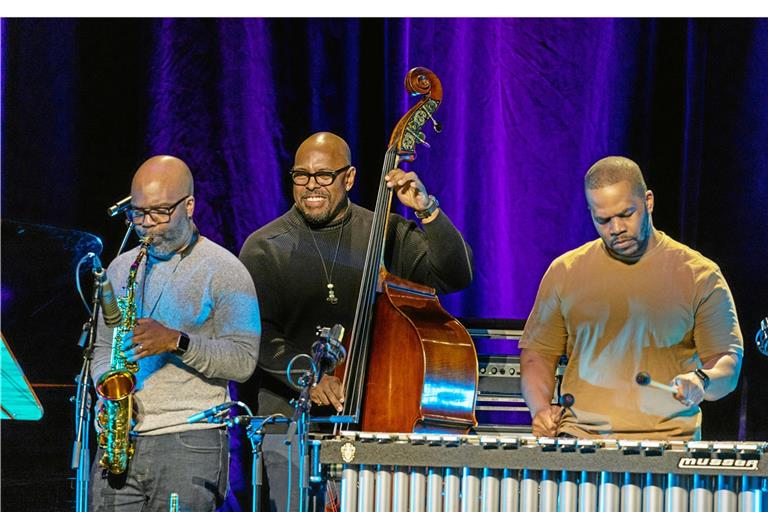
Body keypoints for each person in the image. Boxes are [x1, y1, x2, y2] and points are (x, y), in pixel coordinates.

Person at [235, 131, 474, 510]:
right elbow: (255, 335)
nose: (311, 186)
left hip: (377, 414)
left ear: (349, 178)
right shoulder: (265, 246)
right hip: (290, 421)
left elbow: (455, 277)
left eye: (324, 175)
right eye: (301, 175)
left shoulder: (385, 232)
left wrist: (427, 210)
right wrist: (308, 377)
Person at [520, 156, 743, 440]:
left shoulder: (699, 275)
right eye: (603, 220)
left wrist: (701, 380)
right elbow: (537, 355)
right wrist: (540, 410)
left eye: (626, 214)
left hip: (668, 444)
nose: (616, 229)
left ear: (648, 201)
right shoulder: (565, 272)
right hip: (581, 440)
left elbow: (728, 362)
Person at [89, 155, 261, 511]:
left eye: (160, 212)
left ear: (190, 205)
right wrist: (109, 387)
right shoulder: (121, 269)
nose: (147, 225)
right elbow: (103, 345)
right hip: (121, 440)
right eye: (137, 214)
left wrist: (177, 342)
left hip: (190, 442)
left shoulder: (226, 270)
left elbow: (243, 361)